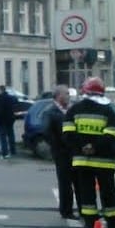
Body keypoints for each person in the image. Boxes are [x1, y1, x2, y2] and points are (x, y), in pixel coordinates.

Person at [63, 77, 115, 228]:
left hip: (82, 160)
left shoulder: (74, 109)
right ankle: (112, 221)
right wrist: (95, 146)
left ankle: (89, 221)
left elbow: (67, 133)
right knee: (108, 192)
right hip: (104, 161)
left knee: (86, 192)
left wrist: (83, 147)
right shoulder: (108, 110)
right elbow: (112, 134)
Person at [43, 84, 79, 219]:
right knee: (65, 183)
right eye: (67, 94)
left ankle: (82, 209)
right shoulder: (50, 111)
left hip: (74, 151)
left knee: (78, 181)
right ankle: (66, 210)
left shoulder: (71, 110)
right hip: (61, 152)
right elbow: (46, 131)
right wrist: (57, 146)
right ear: (59, 96)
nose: (69, 96)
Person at [0, 85, 18, 158]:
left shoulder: (1, 98)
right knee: (11, 135)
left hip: (3, 120)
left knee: (3, 137)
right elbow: (15, 107)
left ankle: (5, 153)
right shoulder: (10, 97)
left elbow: (0, 111)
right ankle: (13, 150)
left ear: (1, 90)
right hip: (10, 119)